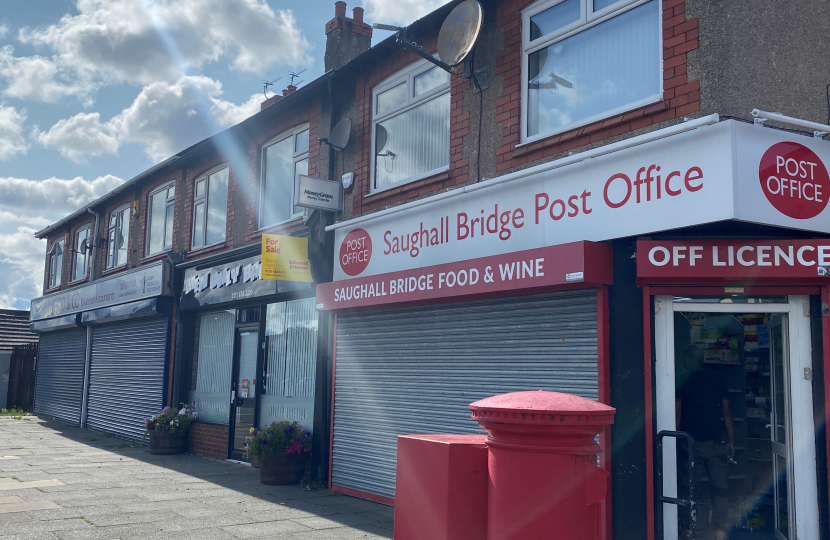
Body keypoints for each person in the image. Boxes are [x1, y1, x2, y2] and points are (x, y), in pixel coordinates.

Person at [676, 345, 735, 540]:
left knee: (688, 488)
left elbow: (677, 412)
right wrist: (730, 440)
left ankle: (688, 528)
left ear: (687, 361)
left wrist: (675, 436)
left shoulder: (682, 380)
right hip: (716, 442)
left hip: (690, 443)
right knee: (720, 488)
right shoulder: (717, 379)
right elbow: (727, 413)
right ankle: (720, 530)